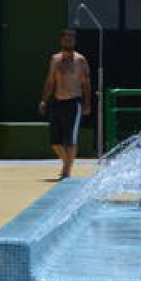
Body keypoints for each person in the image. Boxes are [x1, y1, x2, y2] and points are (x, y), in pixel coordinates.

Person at [38, 29, 92, 179]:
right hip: (57, 101)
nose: (68, 42)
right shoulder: (55, 59)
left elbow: (86, 83)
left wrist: (87, 104)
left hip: (74, 103)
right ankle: (66, 163)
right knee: (55, 142)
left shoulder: (80, 60)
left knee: (71, 140)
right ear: (61, 41)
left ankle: (66, 171)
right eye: (66, 39)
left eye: (71, 40)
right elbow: (50, 81)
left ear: (74, 42)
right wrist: (44, 100)